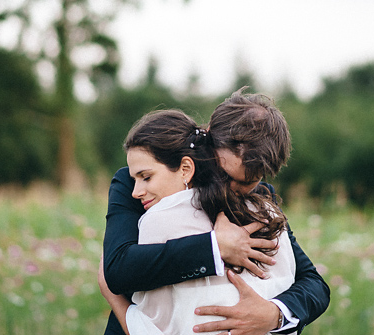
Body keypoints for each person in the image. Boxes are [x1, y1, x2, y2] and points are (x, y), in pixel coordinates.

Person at [100, 89, 329, 335]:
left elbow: (313, 284)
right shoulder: (138, 183)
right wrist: (213, 248)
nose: (234, 190)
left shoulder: (260, 199)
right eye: (225, 175)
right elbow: (118, 269)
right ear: (210, 140)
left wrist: (274, 314)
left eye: (249, 181)